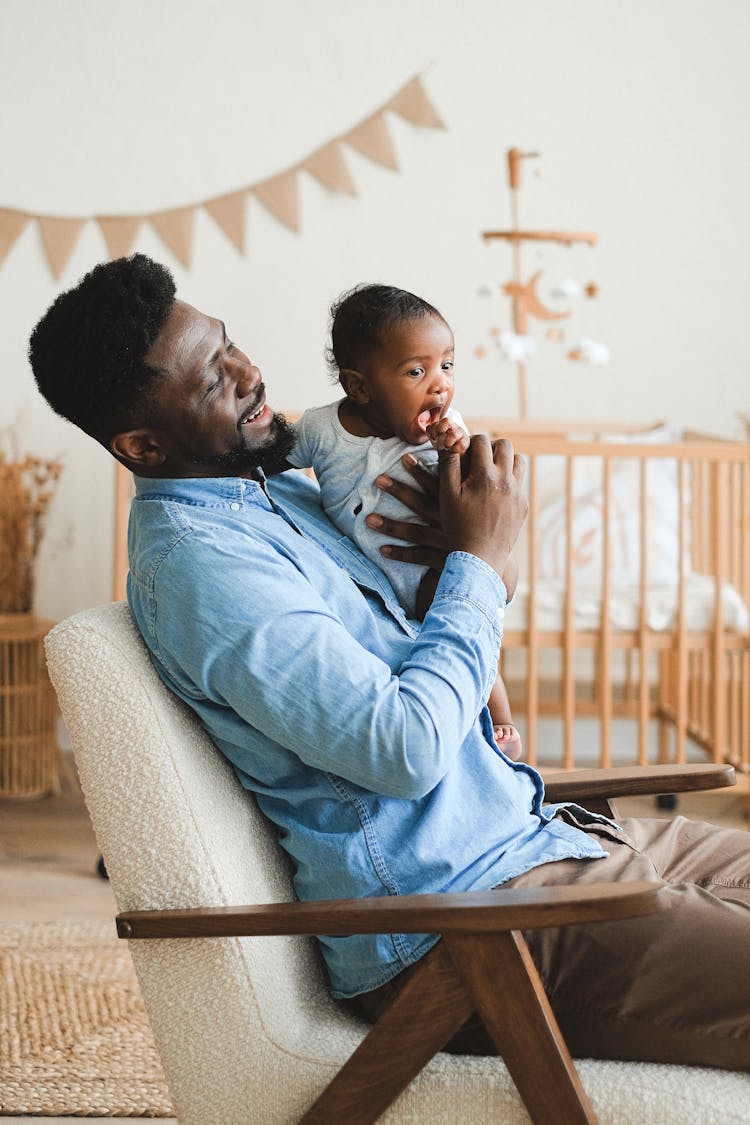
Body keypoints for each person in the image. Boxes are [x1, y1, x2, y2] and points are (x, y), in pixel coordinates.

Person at [29, 254, 750, 1071]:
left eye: (229, 345)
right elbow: (404, 750)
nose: (249, 372)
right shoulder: (207, 571)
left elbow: (442, 628)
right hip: (465, 926)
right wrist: (481, 562)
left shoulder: (287, 497)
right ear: (144, 444)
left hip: (533, 838)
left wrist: (469, 563)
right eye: (210, 379)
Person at [288, 282, 521, 758]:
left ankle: (501, 720)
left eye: (447, 365)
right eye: (417, 370)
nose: (440, 383)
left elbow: (472, 496)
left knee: (462, 620)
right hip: (375, 586)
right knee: (418, 663)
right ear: (360, 386)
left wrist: (453, 450)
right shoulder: (321, 429)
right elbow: (275, 459)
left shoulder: (442, 428)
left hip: (434, 571)